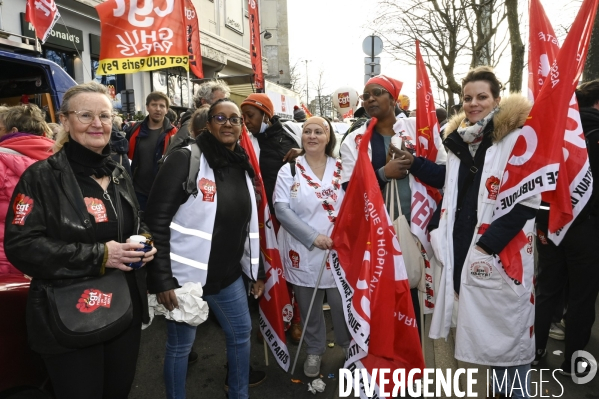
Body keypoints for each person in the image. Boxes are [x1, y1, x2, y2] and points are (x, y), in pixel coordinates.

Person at [4, 82, 156, 398]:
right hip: (67, 312)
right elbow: (21, 246)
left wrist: (144, 242)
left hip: (123, 308)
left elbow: (136, 222)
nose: (97, 124)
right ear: (64, 120)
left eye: (104, 115)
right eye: (85, 115)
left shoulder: (118, 171)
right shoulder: (41, 177)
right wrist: (101, 255)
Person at [400, 66, 538, 398]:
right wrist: (414, 162)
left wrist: (487, 246)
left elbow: (527, 200)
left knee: (507, 335)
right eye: (468, 98)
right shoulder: (463, 139)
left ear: (497, 98)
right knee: (478, 333)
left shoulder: (518, 137)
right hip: (463, 249)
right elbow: (451, 181)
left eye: (481, 97)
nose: (474, 103)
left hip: (500, 255)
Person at [144, 98, 263, 399]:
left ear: (242, 126)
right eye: (219, 118)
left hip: (228, 277)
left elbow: (246, 226)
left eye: (234, 119)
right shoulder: (186, 159)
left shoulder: (241, 164)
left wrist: (255, 270)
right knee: (180, 347)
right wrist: (162, 279)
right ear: (207, 124)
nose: (228, 124)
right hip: (185, 280)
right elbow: (155, 221)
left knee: (240, 336)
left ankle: (238, 394)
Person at [340, 75, 428, 339]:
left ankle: (412, 364)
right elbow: (348, 191)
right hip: (374, 235)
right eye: (365, 96)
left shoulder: (416, 129)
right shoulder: (353, 140)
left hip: (413, 231)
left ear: (392, 98)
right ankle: (380, 363)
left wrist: (415, 164)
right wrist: (383, 173)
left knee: (410, 295)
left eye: (377, 93)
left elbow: (442, 173)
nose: (369, 99)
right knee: (377, 297)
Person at [274, 116, 350, 378]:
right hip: (303, 250)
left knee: (342, 307)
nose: (313, 136)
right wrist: (313, 237)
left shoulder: (343, 168)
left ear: (329, 137)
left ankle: (349, 348)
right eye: (307, 131)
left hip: (339, 251)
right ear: (301, 136)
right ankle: (315, 350)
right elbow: (281, 209)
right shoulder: (290, 170)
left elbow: (357, 204)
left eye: (319, 131)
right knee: (309, 309)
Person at [532, 80, 599, 377]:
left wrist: (542, 223)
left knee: (547, 290)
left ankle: (534, 350)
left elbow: (539, 181)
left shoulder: (554, 131)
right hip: (588, 230)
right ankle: (575, 363)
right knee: (582, 298)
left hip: (550, 224)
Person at [241, 93, 304, 343]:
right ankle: (272, 319)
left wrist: (302, 156)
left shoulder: (286, 140)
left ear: (266, 115)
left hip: (282, 217)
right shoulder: (246, 140)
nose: (246, 121)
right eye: (243, 116)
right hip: (255, 215)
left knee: (287, 268)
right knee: (264, 270)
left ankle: (294, 320)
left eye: (251, 116)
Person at [0, 104, 54, 275]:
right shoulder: (61, 158)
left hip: (5, 260)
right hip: (49, 258)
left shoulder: (2, 159)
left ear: (12, 130)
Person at [125, 91, 177, 211]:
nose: (158, 109)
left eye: (162, 106)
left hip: (163, 192)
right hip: (137, 191)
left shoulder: (174, 134)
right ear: (147, 107)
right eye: (154, 105)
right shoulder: (134, 130)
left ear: (167, 110)